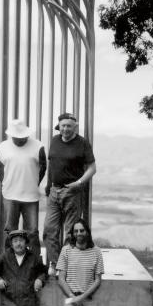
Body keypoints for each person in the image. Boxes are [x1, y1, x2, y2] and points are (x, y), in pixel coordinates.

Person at [43, 112, 96, 275]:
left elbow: (92, 168)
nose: (65, 129)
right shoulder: (54, 140)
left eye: (68, 126)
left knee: (70, 230)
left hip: (72, 192)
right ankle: (53, 263)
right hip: (54, 190)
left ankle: (64, 265)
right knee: (50, 228)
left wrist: (79, 183)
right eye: (63, 126)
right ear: (59, 127)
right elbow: (51, 164)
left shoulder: (82, 143)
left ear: (75, 127)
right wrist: (48, 184)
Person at [0, 119, 46, 257]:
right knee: (9, 231)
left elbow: (43, 167)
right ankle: (8, 262)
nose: (19, 139)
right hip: (10, 195)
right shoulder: (2, 147)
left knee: (32, 232)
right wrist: (6, 182)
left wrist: (33, 181)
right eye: (16, 136)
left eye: (22, 136)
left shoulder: (38, 146)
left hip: (31, 196)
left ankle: (34, 263)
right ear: (11, 135)